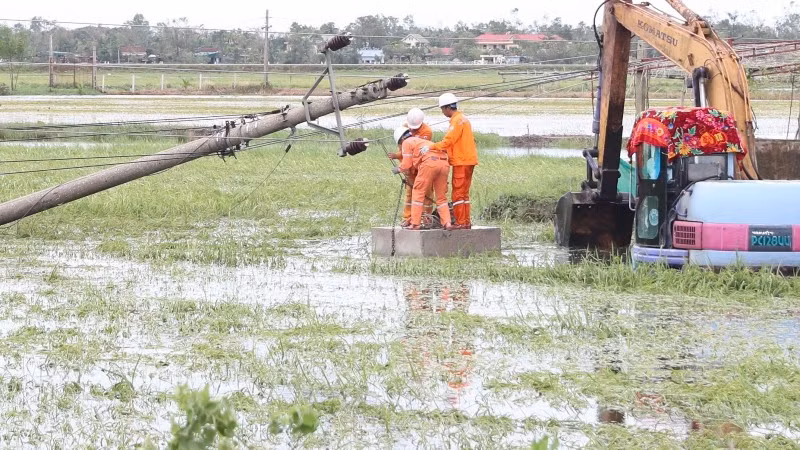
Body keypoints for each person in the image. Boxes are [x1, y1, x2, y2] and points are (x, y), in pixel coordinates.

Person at [391, 126, 454, 231]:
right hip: (444, 163)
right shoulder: (422, 141)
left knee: (418, 192)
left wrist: (398, 169)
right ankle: (447, 223)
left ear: (401, 139)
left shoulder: (407, 142)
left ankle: (415, 224)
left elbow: (406, 164)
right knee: (441, 197)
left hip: (429, 163)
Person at [430, 93, 478, 229]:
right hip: (469, 160)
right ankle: (466, 221)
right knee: (464, 194)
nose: (442, 112)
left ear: (446, 108)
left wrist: (433, 146)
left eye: (442, 109)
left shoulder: (456, 121)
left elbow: (449, 140)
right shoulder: (463, 119)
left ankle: (461, 222)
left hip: (461, 161)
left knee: (457, 193)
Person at [389, 108, 435, 227]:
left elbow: (419, 151)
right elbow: (404, 151)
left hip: (422, 166)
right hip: (409, 168)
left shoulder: (427, 132)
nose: (412, 130)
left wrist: (401, 167)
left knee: (426, 193)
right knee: (410, 194)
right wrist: (396, 156)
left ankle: (426, 217)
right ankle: (408, 218)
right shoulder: (404, 128)